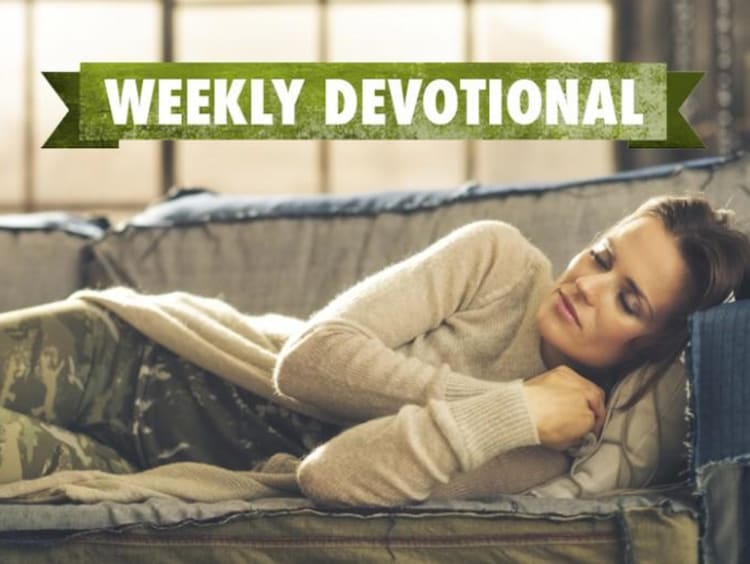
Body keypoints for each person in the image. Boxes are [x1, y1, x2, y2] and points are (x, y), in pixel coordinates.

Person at [0, 194, 747, 508]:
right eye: (603, 254)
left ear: (657, 349)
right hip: (134, 352)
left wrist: (511, 415)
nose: (589, 284)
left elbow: (330, 477)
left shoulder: (546, 449)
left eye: (629, 299)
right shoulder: (500, 263)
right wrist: (491, 399)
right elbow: (312, 359)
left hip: (145, 469)